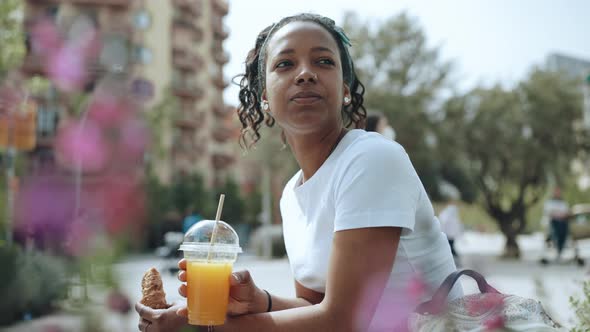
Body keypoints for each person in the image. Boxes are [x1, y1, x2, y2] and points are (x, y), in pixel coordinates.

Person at [135, 13, 461, 331]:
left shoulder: (372, 159)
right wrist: (260, 300)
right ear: (265, 97)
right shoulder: (291, 195)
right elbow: (314, 309)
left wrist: (198, 325)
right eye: (285, 64)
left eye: (323, 62)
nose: (305, 74)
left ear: (345, 88)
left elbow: (343, 321)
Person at [543, 187, 570, 261]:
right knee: (556, 230)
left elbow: (566, 213)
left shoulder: (563, 203)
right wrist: (557, 215)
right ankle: (555, 246)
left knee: (563, 230)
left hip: (563, 222)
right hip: (553, 222)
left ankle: (560, 250)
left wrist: (561, 215)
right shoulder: (549, 202)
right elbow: (549, 213)